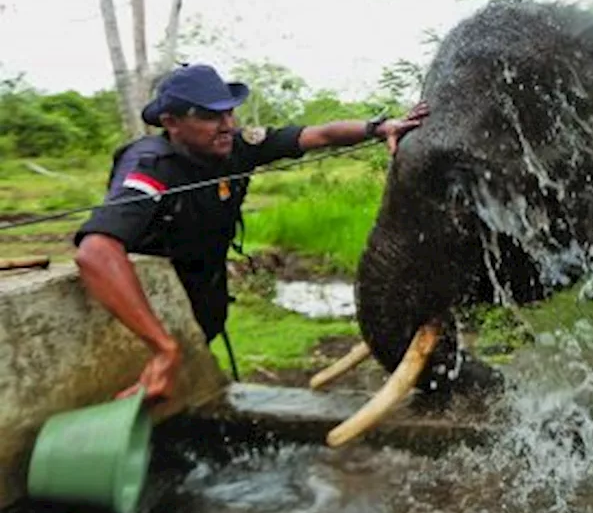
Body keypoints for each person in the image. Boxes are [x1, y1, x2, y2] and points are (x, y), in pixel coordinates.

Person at [74, 63, 428, 402]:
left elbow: (317, 135)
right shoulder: (151, 166)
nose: (227, 124)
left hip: (202, 301)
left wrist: (377, 128)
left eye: (229, 112)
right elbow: (96, 250)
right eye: (211, 115)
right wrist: (162, 347)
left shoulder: (235, 146)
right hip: (145, 321)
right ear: (171, 122)